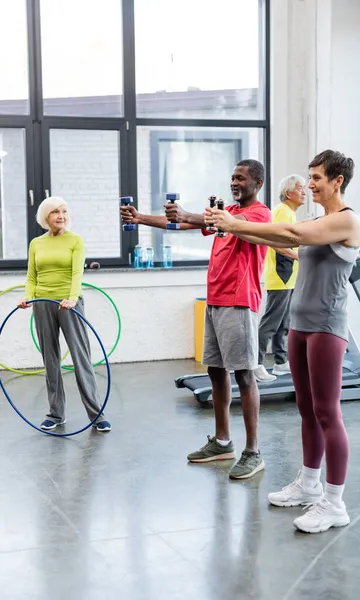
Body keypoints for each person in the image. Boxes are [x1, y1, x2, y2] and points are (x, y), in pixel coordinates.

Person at [206, 149, 360, 532]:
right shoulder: (319, 219)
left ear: (337, 181)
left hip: (326, 326)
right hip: (300, 324)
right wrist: (235, 227)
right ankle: (308, 484)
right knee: (306, 410)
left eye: (317, 178)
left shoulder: (345, 220)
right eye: (309, 177)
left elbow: (292, 233)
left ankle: (335, 502)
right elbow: (288, 242)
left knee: (328, 412)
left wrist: (235, 222)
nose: (309, 185)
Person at [121, 159, 272, 479]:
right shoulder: (225, 212)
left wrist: (189, 213)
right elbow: (184, 224)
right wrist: (141, 218)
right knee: (216, 370)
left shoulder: (258, 214)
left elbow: (223, 222)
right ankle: (222, 442)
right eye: (232, 177)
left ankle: (253, 451)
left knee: (244, 375)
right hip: (216, 299)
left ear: (256, 183)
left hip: (240, 301)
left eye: (241, 178)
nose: (235, 182)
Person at [18, 197, 111, 433]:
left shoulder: (75, 241)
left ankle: (96, 414)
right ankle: (56, 413)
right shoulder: (36, 243)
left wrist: (71, 298)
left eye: (64, 211)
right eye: (55, 212)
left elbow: (77, 273)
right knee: (50, 360)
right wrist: (28, 297)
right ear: (45, 217)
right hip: (42, 303)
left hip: (69, 303)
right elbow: (31, 276)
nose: (61, 216)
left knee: (81, 358)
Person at [254, 174, 306, 382]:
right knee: (271, 322)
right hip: (280, 275)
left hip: (288, 276)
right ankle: (255, 364)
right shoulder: (282, 212)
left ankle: (280, 362)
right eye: (300, 188)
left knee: (284, 322)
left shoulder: (288, 213)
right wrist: (298, 255)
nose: (305, 192)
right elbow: (272, 241)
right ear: (288, 193)